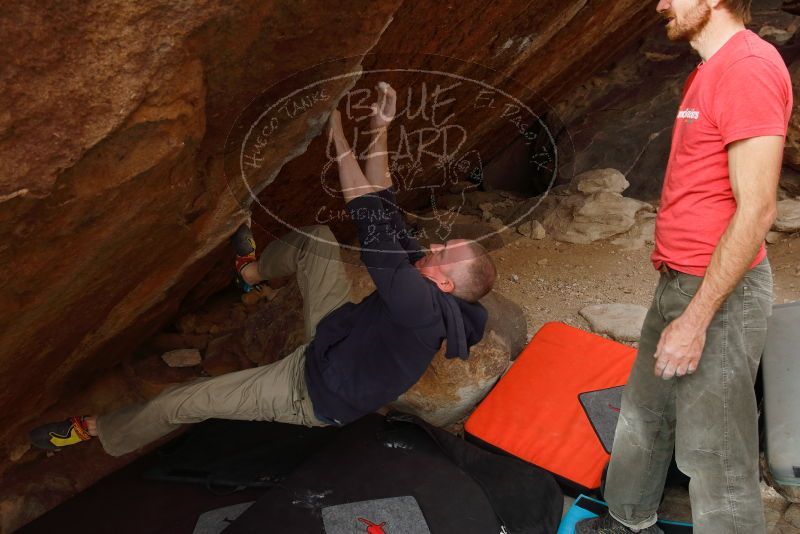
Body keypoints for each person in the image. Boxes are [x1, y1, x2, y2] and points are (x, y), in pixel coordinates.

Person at [29, 83, 496, 456]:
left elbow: (366, 211)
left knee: (181, 402)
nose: (433, 245)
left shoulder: (419, 307)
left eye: (443, 250)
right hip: (337, 334)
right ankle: (249, 276)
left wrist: (335, 129)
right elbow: (386, 205)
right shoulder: (430, 282)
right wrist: (379, 126)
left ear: (444, 281)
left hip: (309, 392)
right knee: (319, 241)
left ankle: (93, 430)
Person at [577, 1, 792, 533]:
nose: (661, 4)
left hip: (718, 294)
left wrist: (696, 321)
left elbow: (758, 209)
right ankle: (629, 521)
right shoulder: (709, 70)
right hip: (679, 279)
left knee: (715, 454)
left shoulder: (749, 68)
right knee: (643, 416)